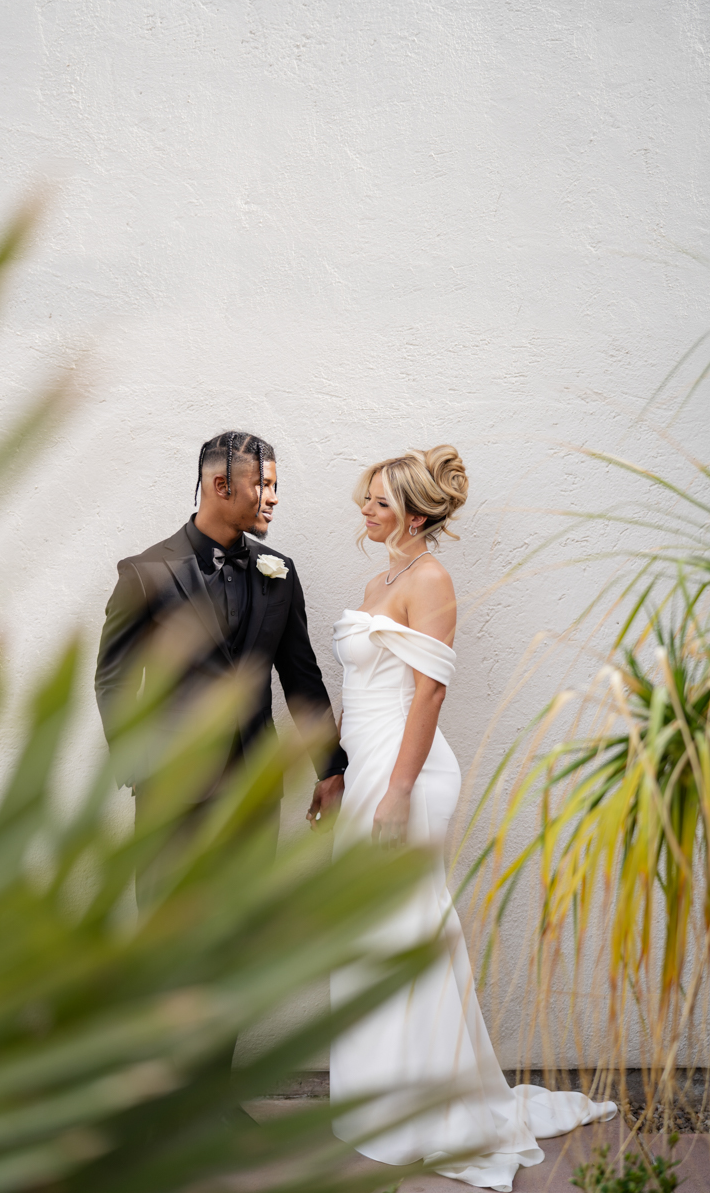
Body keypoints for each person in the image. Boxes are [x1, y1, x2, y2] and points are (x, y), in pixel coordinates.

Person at [322, 445, 616, 1193]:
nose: (365, 512)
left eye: (379, 503)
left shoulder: (431, 580)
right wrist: (340, 774)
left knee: (407, 926)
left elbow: (428, 696)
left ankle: (430, 1105)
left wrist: (396, 788)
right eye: (366, 500)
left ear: (417, 513)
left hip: (407, 772)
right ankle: (379, 1097)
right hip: (367, 761)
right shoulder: (380, 577)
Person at [95, 428, 347, 835]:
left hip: (256, 790)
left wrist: (330, 767)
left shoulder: (280, 572)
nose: (274, 497)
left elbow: (301, 676)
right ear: (221, 485)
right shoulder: (145, 574)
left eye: (275, 486)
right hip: (171, 788)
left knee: (256, 902)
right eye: (263, 484)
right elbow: (113, 679)